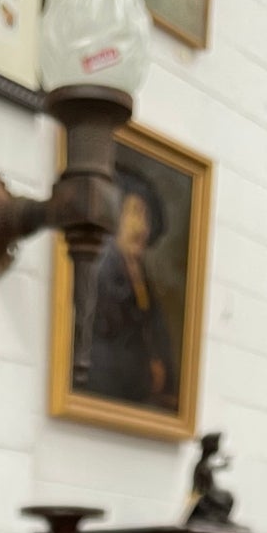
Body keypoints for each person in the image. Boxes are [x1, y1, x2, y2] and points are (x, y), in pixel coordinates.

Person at [83, 167, 178, 411]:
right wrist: (146, 376)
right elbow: (102, 355)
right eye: (134, 212)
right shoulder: (101, 272)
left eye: (146, 216)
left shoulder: (142, 279)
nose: (142, 226)